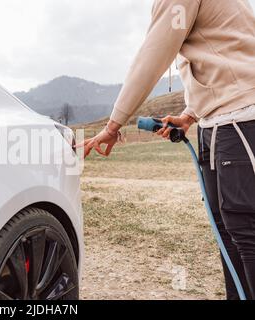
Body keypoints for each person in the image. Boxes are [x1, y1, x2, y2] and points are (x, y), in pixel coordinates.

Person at [79, 0, 255, 300]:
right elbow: (220, 51)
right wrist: (191, 114)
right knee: (229, 232)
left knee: (246, 233)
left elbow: (154, 53)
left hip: (239, 118)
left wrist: (113, 125)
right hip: (219, 121)